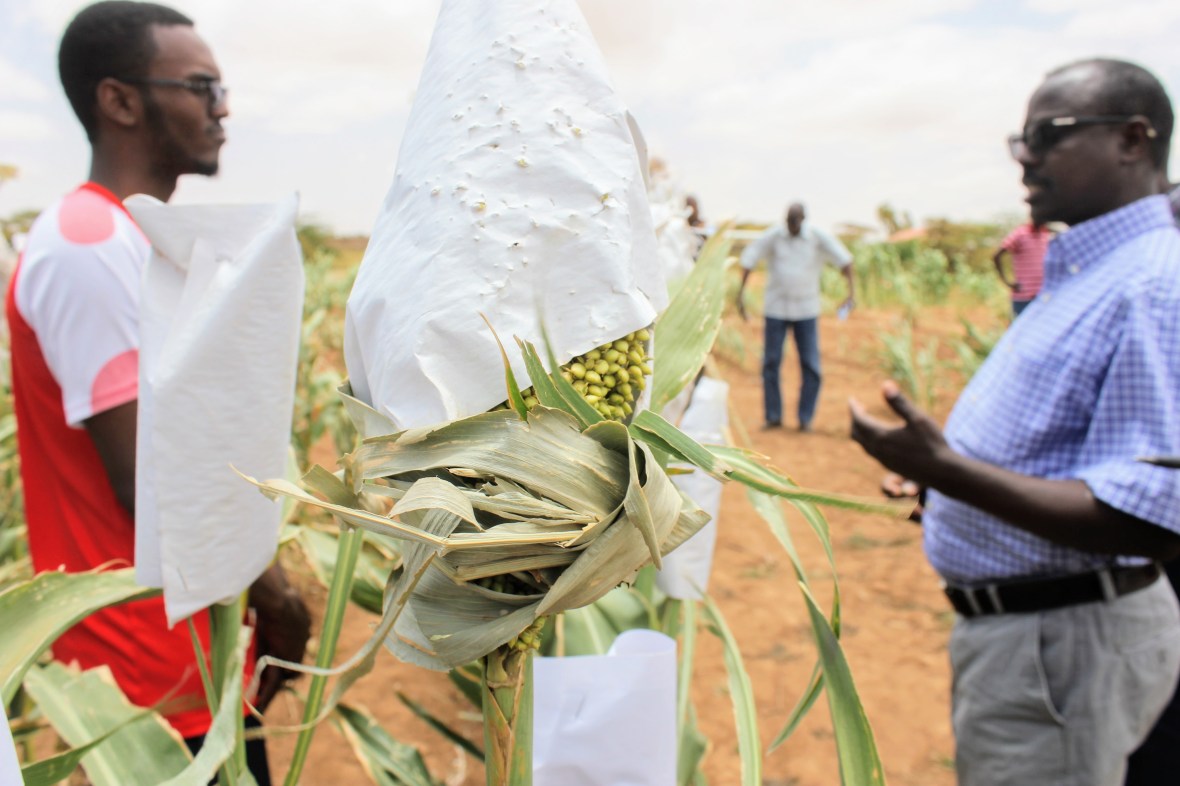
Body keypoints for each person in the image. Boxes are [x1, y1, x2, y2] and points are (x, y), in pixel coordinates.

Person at [850, 58, 1180, 786]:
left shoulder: (1156, 284)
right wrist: (948, 489)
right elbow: (1071, 452)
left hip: (1063, 651)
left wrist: (948, 469)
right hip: (1039, 644)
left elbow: (1149, 517)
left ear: (1132, 139)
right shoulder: (1088, 267)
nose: (1025, 155)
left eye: (1048, 134)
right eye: (1019, 138)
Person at [5, 3, 309, 781]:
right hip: (141, 674)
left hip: (186, 647)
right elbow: (154, 477)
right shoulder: (87, 243)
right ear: (121, 101)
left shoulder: (137, 238)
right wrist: (276, 597)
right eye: (202, 86)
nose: (224, 107)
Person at [737, 202, 854, 432]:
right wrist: (740, 295)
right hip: (776, 310)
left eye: (795, 222)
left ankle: (805, 418)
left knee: (811, 365)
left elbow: (845, 260)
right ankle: (773, 417)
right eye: (788, 222)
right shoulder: (773, 236)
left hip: (806, 311)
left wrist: (851, 294)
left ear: (802, 220)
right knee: (771, 363)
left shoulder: (817, 237)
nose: (791, 226)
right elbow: (749, 258)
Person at [992, 219, 1051, 316]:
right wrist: (1007, 282)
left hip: (1042, 296)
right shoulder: (1020, 233)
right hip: (1023, 297)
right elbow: (997, 256)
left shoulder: (1045, 235)